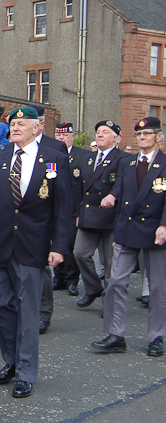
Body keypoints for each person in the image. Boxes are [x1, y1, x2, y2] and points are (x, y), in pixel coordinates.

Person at [0, 106, 71, 399]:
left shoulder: (55, 160)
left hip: (34, 247)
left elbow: (63, 208)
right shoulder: (2, 157)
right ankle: (11, 360)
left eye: (21, 123)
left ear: (38, 127)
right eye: (12, 123)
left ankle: (26, 372)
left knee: (28, 312)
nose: (15, 127)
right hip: (2, 246)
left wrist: (59, 247)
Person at [92, 116, 166, 357]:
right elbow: (120, 187)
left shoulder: (165, 163)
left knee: (157, 288)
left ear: (159, 137)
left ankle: (156, 337)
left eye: (147, 134)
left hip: (155, 230)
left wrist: (164, 225)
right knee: (116, 282)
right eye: (139, 135)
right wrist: (112, 197)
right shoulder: (129, 163)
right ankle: (116, 335)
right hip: (127, 227)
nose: (142, 138)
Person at [74, 120, 129, 308]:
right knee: (80, 254)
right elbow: (81, 189)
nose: (100, 134)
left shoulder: (123, 158)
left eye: (105, 132)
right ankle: (93, 289)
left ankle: (109, 301)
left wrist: (113, 195)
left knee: (110, 263)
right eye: (98, 131)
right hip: (89, 215)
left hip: (111, 217)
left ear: (117, 138)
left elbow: (121, 182)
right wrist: (78, 213)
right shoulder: (88, 159)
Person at [28, 105, 68, 334]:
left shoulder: (56, 147)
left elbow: (63, 193)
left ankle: (43, 313)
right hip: (18, 221)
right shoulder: (11, 149)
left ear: (40, 124)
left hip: (43, 220)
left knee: (41, 270)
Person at [53, 122, 87, 296]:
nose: (61, 138)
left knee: (72, 246)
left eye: (65, 135)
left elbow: (84, 186)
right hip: (55, 208)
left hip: (74, 208)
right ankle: (58, 277)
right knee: (56, 243)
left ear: (72, 136)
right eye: (58, 135)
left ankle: (72, 280)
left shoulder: (82, 156)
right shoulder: (51, 154)